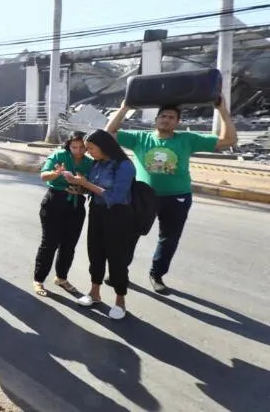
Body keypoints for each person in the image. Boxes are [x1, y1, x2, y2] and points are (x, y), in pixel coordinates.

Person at [104, 95, 237, 292]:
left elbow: (229, 140)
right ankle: (120, 270)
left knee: (168, 239)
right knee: (129, 235)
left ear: (177, 122)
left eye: (171, 117)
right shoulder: (140, 138)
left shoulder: (187, 139)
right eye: (163, 116)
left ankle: (156, 274)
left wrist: (222, 111)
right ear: (156, 119)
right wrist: (124, 108)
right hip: (144, 196)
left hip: (177, 197)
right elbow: (108, 134)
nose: (166, 119)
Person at [62, 129, 136, 320]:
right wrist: (79, 188)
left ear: (104, 146)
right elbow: (95, 191)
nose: (88, 152)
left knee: (116, 257)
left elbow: (117, 197)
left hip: (118, 215)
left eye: (91, 148)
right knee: (95, 253)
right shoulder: (98, 163)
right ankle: (95, 293)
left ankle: (120, 300)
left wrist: (86, 185)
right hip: (97, 212)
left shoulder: (124, 165)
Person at [33, 131, 94, 297]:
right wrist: (58, 173)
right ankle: (38, 279)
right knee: (49, 243)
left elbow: (92, 186)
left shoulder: (89, 162)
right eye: (75, 147)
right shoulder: (59, 155)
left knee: (69, 245)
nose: (79, 151)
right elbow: (44, 176)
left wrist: (81, 187)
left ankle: (61, 277)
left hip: (76, 205)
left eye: (82, 147)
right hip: (55, 202)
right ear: (69, 145)